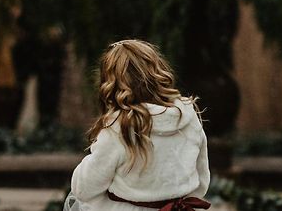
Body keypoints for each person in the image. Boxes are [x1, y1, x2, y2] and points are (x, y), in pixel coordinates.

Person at [65, 39, 210, 211]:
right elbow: (202, 179)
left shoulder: (120, 126)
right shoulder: (188, 115)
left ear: (111, 84)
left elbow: (85, 188)